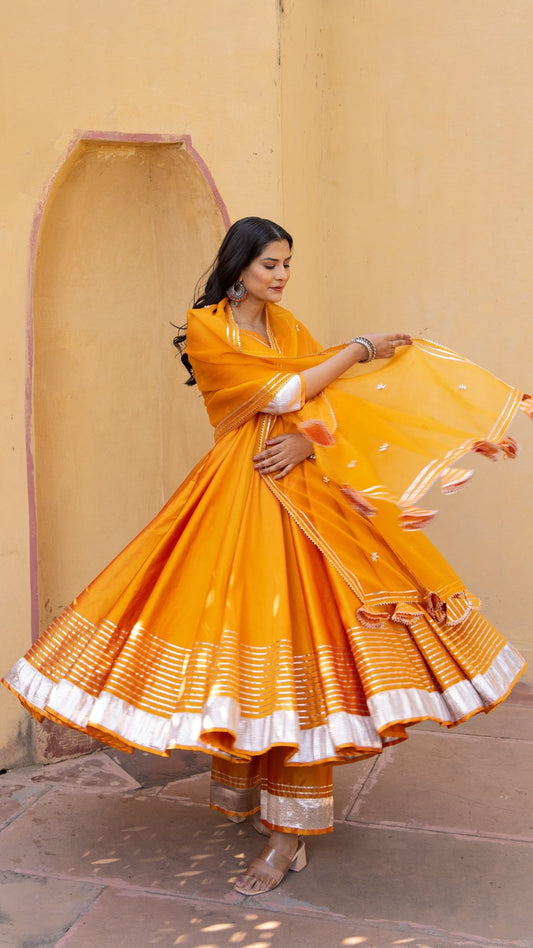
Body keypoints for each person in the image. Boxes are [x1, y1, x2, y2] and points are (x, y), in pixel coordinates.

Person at [3, 216, 528, 897]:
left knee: (307, 662)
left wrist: (310, 442)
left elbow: (324, 401)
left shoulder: (287, 329)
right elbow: (283, 395)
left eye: (286, 264)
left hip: (307, 495)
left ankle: (288, 840)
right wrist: (359, 347)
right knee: (252, 647)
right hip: (239, 493)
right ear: (238, 266)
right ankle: (258, 801)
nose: (280, 276)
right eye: (269, 265)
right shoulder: (208, 326)